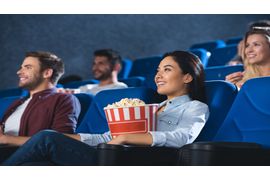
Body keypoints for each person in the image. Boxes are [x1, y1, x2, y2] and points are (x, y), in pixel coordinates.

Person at [2, 50, 209, 165]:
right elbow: (107, 137)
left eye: (167, 69)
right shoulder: (149, 108)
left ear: (188, 76)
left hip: (130, 161)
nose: (158, 75)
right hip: (109, 152)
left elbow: (182, 138)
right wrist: (72, 137)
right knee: (44, 143)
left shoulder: (195, 107)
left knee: (45, 139)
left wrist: (129, 137)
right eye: (158, 70)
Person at [0, 51, 80, 146]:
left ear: (47, 73)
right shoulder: (18, 102)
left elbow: (60, 142)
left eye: (28, 67)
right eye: (21, 67)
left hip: (25, 156)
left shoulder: (64, 99)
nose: (19, 72)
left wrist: (6, 139)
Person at [58, 49, 127, 95]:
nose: (95, 68)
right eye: (94, 63)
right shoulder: (87, 87)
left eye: (101, 63)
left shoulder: (120, 88)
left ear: (116, 67)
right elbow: (72, 92)